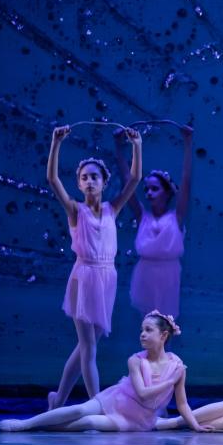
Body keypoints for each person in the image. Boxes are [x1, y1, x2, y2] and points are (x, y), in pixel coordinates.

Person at [46, 125, 142, 409]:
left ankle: (59, 398)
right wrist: (56, 142)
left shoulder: (113, 208)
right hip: (85, 277)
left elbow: (135, 178)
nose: (89, 181)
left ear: (103, 182)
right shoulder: (76, 211)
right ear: (79, 183)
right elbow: (52, 179)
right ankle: (96, 405)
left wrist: (136, 145)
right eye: (84, 177)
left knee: (86, 346)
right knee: (89, 347)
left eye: (94, 177)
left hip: (107, 278)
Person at [0, 312, 210, 432]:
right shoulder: (135, 361)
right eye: (141, 330)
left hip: (137, 419)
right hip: (116, 400)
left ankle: (44, 426)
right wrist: (169, 382)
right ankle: (26, 424)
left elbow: (182, 404)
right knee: (79, 410)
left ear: (164, 336)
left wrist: (196, 427)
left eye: (148, 330)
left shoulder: (176, 365)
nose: (142, 335)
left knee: (89, 424)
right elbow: (144, 393)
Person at [115, 125, 193, 318]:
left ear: (167, 192)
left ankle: (165, 349)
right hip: (145, 273)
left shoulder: (176, 217)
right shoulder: (143, 217)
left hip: (168, 275)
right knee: (147, 323)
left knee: (166, 323)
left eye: (155, 189)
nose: (149, 193)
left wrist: (188, 142)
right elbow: (128, 181)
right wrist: (119, 146)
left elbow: (186, 180)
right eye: (147, 189)